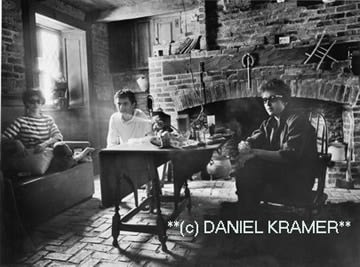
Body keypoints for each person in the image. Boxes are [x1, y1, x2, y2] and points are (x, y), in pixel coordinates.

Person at [234, 78, 319, 211]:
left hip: (298, 178)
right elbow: (255, 138)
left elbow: (288, 156)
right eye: (264, 100)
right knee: (245, 172)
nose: (267, 103)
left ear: (285, 100)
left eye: (272, 98)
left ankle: (249, 211)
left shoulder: (297, 120)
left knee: (249, 174)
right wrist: (246, 144)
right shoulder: (269, 122)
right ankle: (249, 212)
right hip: (279, 173)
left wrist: (254, 152)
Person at [2, 89, 94, 175]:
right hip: (34, 156)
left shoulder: (48, 119)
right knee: (62, 162)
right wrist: (16, 142)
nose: (36, 104)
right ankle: (77, 158)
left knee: (61, 147)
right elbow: (3, 137)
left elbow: (58, 136)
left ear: (42, 103)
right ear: (26, 103)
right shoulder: (21, 121)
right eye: (32, 101)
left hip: (49, 154)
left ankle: (75, 158)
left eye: (38, 101)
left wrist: (45, 144)